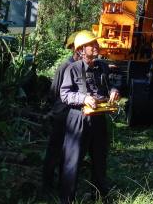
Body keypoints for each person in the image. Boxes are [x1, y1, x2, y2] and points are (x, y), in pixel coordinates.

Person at [59, 30, 120, 204]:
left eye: (96, 44)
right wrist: (84, 98)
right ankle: (67, 199)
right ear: (81, 49)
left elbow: (112, 85)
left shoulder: (102, 66)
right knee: (73, 161)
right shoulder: (73, 69)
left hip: (99, 118)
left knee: (100, 158)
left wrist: (114, 91)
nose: (96, 47)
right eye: (91, 45)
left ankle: (100, 196)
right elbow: (64, 95)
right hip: (78, 119)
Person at [41, 31, 80, 191]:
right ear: (75, 49)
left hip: (74, 116)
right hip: (62, 114)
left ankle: (62, 184)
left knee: (68, 152)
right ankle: (47, 184)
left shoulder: (80, 67)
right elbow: (55, 91)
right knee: (55, 150)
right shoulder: (66, 66)